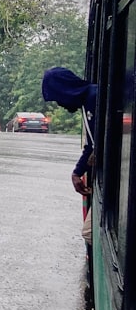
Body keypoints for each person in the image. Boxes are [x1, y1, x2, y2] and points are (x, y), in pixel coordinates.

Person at [42, 67, 98, 245]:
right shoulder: (87, 102)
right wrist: (77, 172)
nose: (60, 104)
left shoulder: (95, 97)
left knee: (89, 233)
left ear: (65, 90)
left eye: (58, 98)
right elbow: (91, 146)